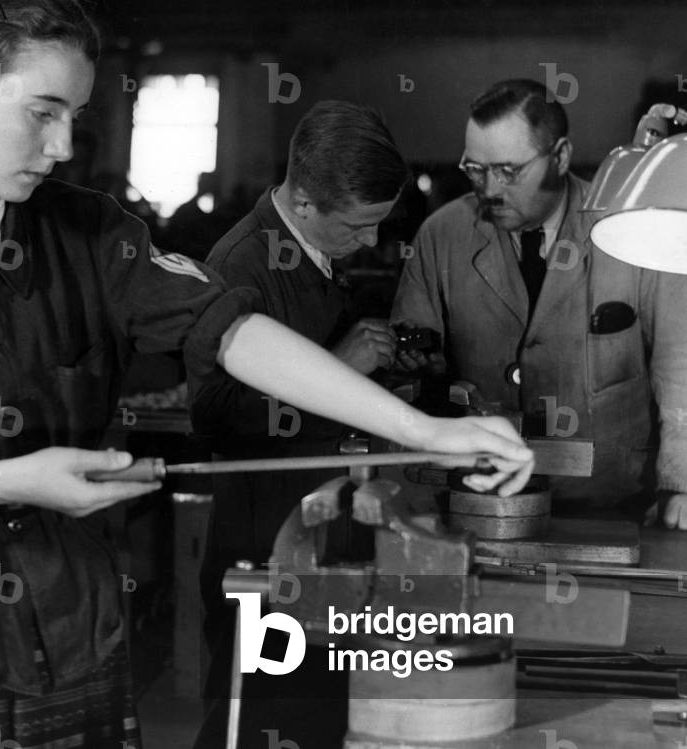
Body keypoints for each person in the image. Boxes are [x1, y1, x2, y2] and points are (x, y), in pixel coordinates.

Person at [0, 3, 533, 746]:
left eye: (76, 116)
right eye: (41, 111)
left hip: (74, 631)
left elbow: (230, 330)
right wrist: (12, 479)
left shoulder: (89, 232)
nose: (63, 145)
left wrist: (424, 429)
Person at [391, 78, 687, 531]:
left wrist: (686, 486)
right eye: (477, 169)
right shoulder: (441, 235)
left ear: (561, 156)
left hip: (611, 505)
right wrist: (421, 366)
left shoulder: (637, 227)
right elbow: (403, 370)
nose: (489, 188)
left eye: (508, 171)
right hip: (478, 505)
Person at [189, 100, 412, 747]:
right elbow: (212, 413)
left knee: (314, 716)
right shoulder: (241, 263)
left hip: (312, 540)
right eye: (358, 226)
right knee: (254, 718)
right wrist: (338, 365)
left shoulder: (308, 250)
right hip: (260, 546)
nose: (370, 242)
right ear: (306, 202)